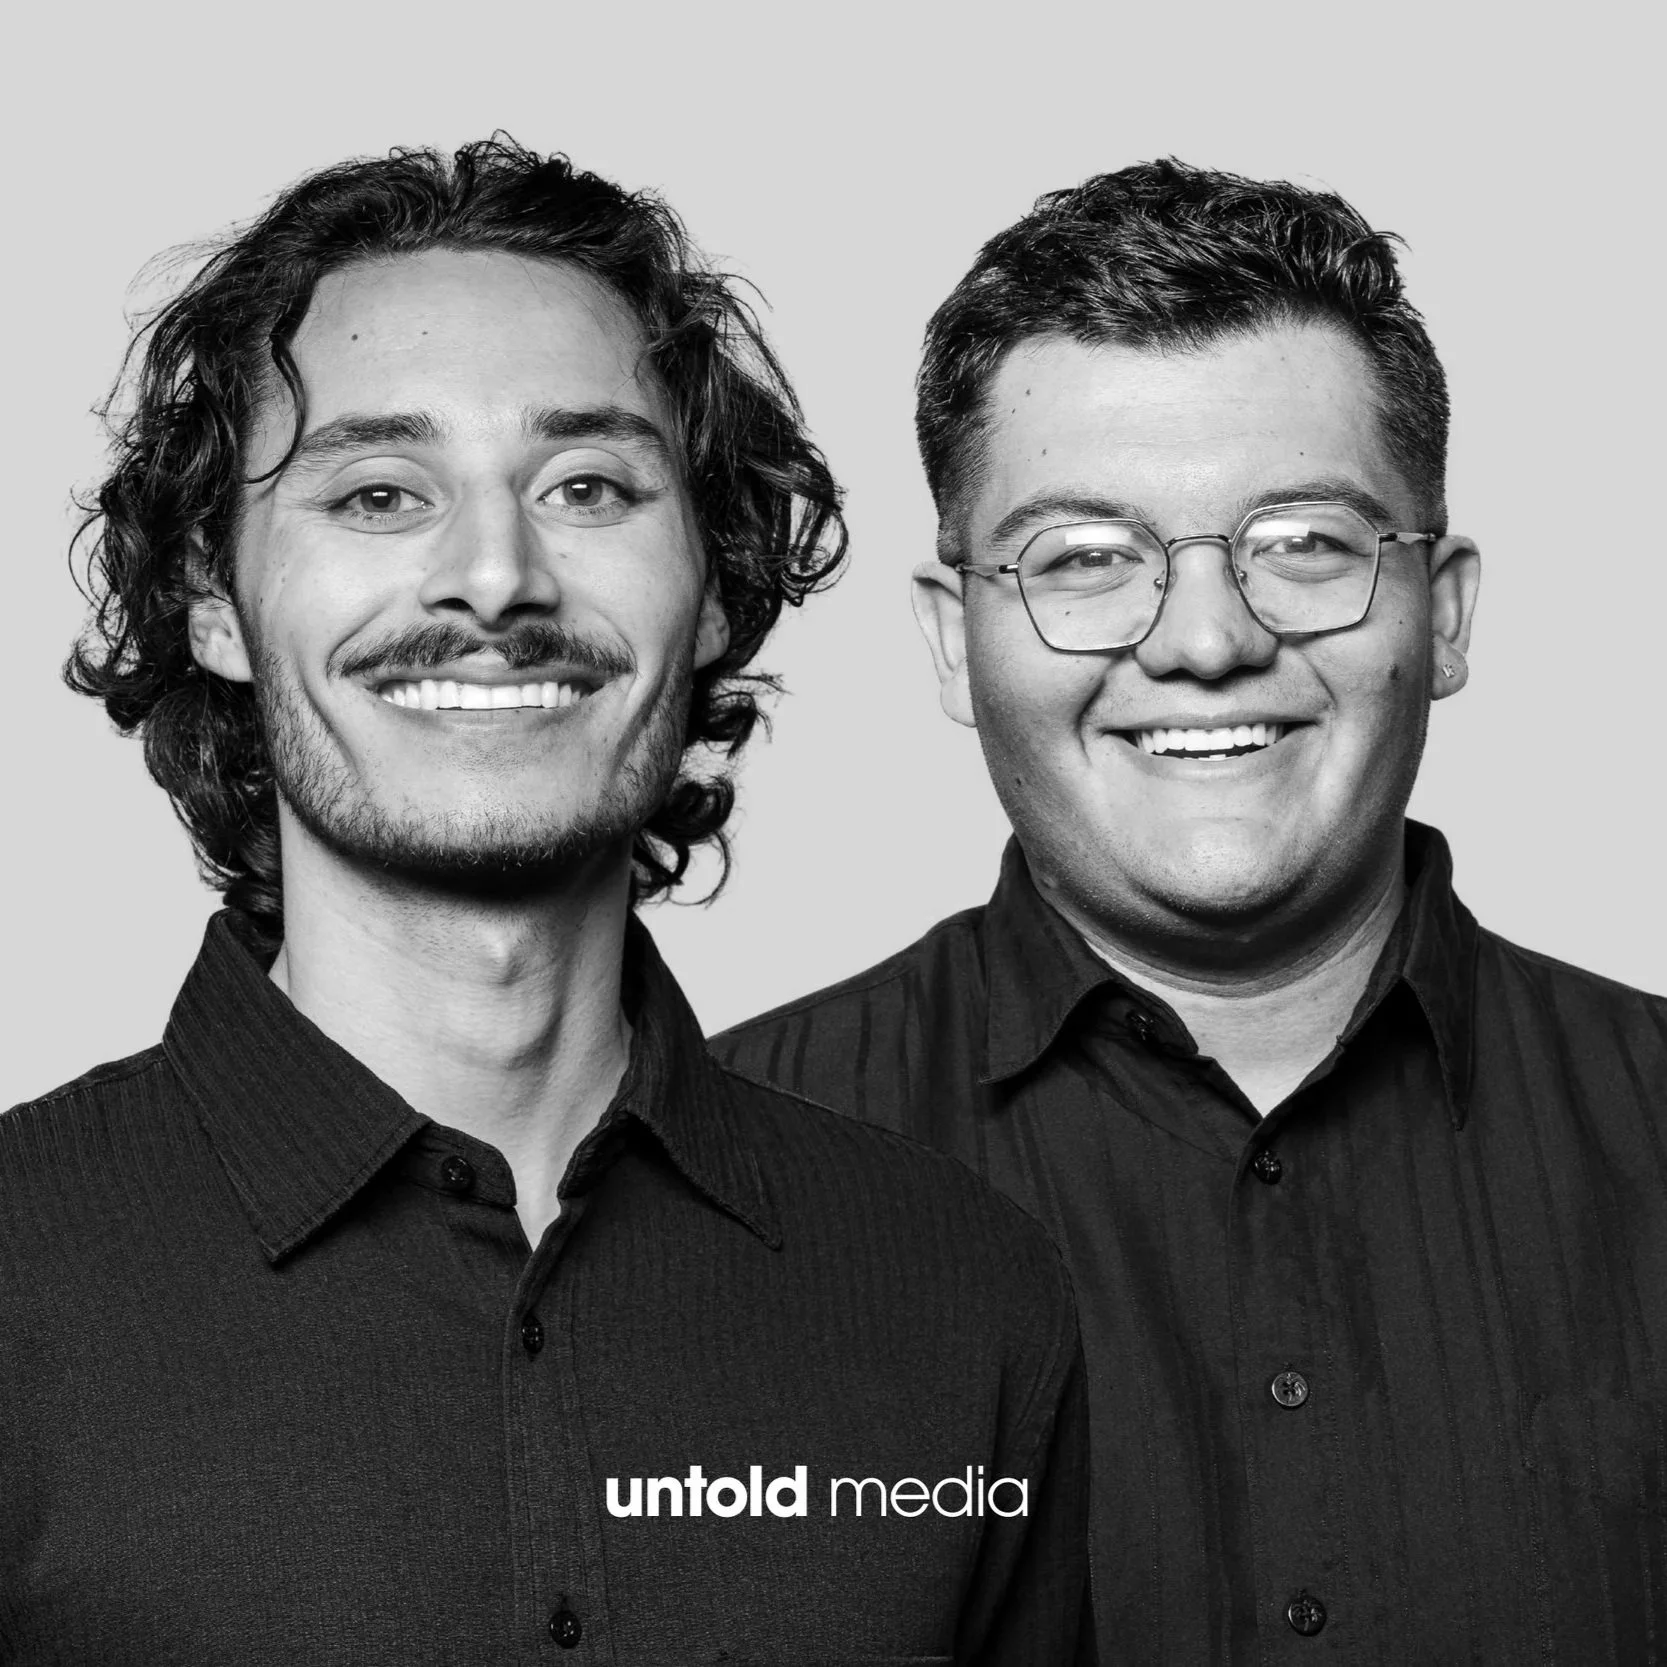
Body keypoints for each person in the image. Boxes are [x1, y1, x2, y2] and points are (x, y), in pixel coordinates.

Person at [0, 139, 1088, 1666]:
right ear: (209, 595)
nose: (495, 575)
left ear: (710, 583)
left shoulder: (965, 1296)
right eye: (379, 491)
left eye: (586, 484)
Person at [716, 159, 1667, 1663]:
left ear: (1450, 612)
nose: (1208, 640)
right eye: (1085, 559)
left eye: (1304, 543)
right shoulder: (694, 1179)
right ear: (954, 641)